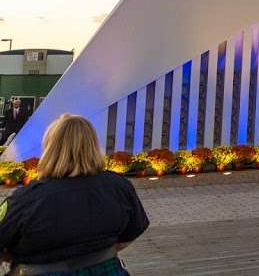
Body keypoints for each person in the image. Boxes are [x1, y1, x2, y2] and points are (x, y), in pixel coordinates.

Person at [0, 114, 149, 274]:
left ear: (50, 148)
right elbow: (131, 233)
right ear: (93, 145)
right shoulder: (119, 187)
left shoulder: (25, 200)